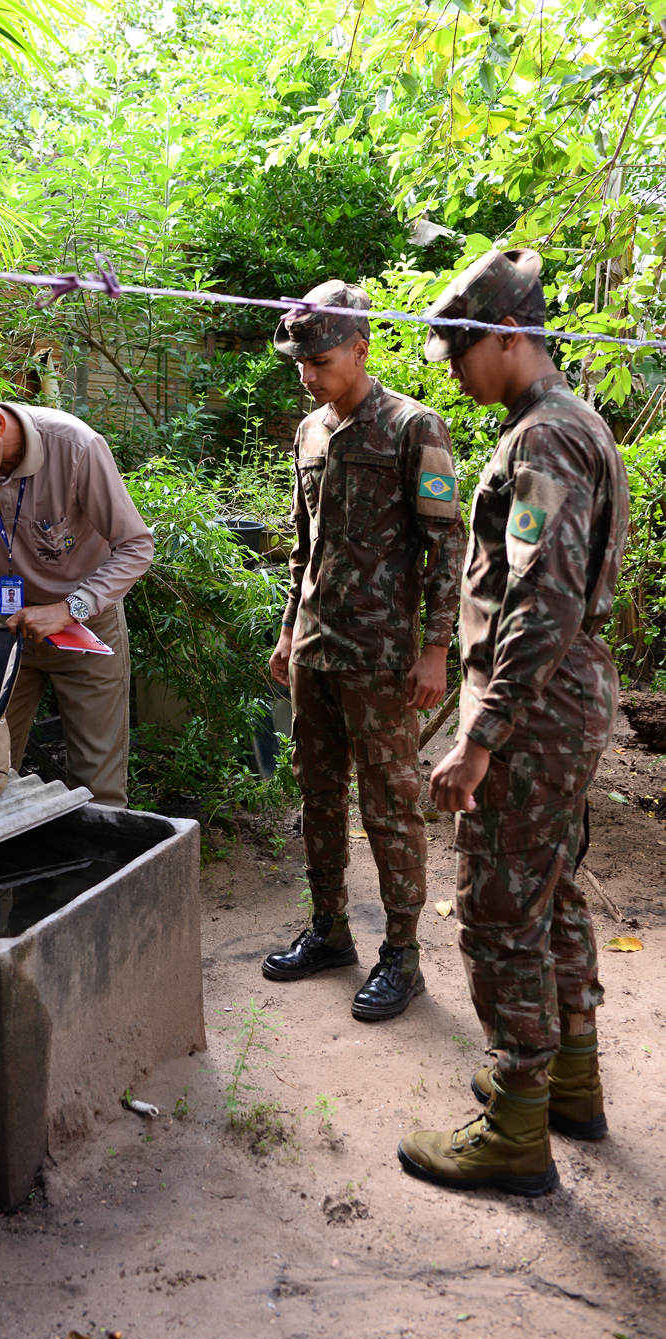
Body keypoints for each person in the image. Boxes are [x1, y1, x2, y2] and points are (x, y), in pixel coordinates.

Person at [398, 248, 630, 1195]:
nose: (453, 370)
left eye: (460, 351)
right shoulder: (572, 423)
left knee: (499, 911)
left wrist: (478, 738)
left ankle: (515, 1128)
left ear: (505, 335)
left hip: (533, 712)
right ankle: (569, 1081)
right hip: (558, 702)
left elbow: (543, 603)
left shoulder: (543, 441)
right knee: (551, 892)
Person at [262, 280, 467, 1021]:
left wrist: (436, 648)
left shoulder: (415, 428)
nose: (308, 375)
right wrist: (289, 627)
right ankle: (329, 930)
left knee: (390, 806)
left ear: (360, 348)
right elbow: (304, 544)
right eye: (299, 363)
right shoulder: (310, 433)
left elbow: (447, 546)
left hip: (382, 658)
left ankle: (403, 957)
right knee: (317, 794)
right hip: (315, 649)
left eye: (319, 360)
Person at [0, 368, 154, 806]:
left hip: (86, 623)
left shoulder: (76, 447)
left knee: (98, 786)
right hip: (8, 622)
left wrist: (70, 609)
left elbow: (136, 546)